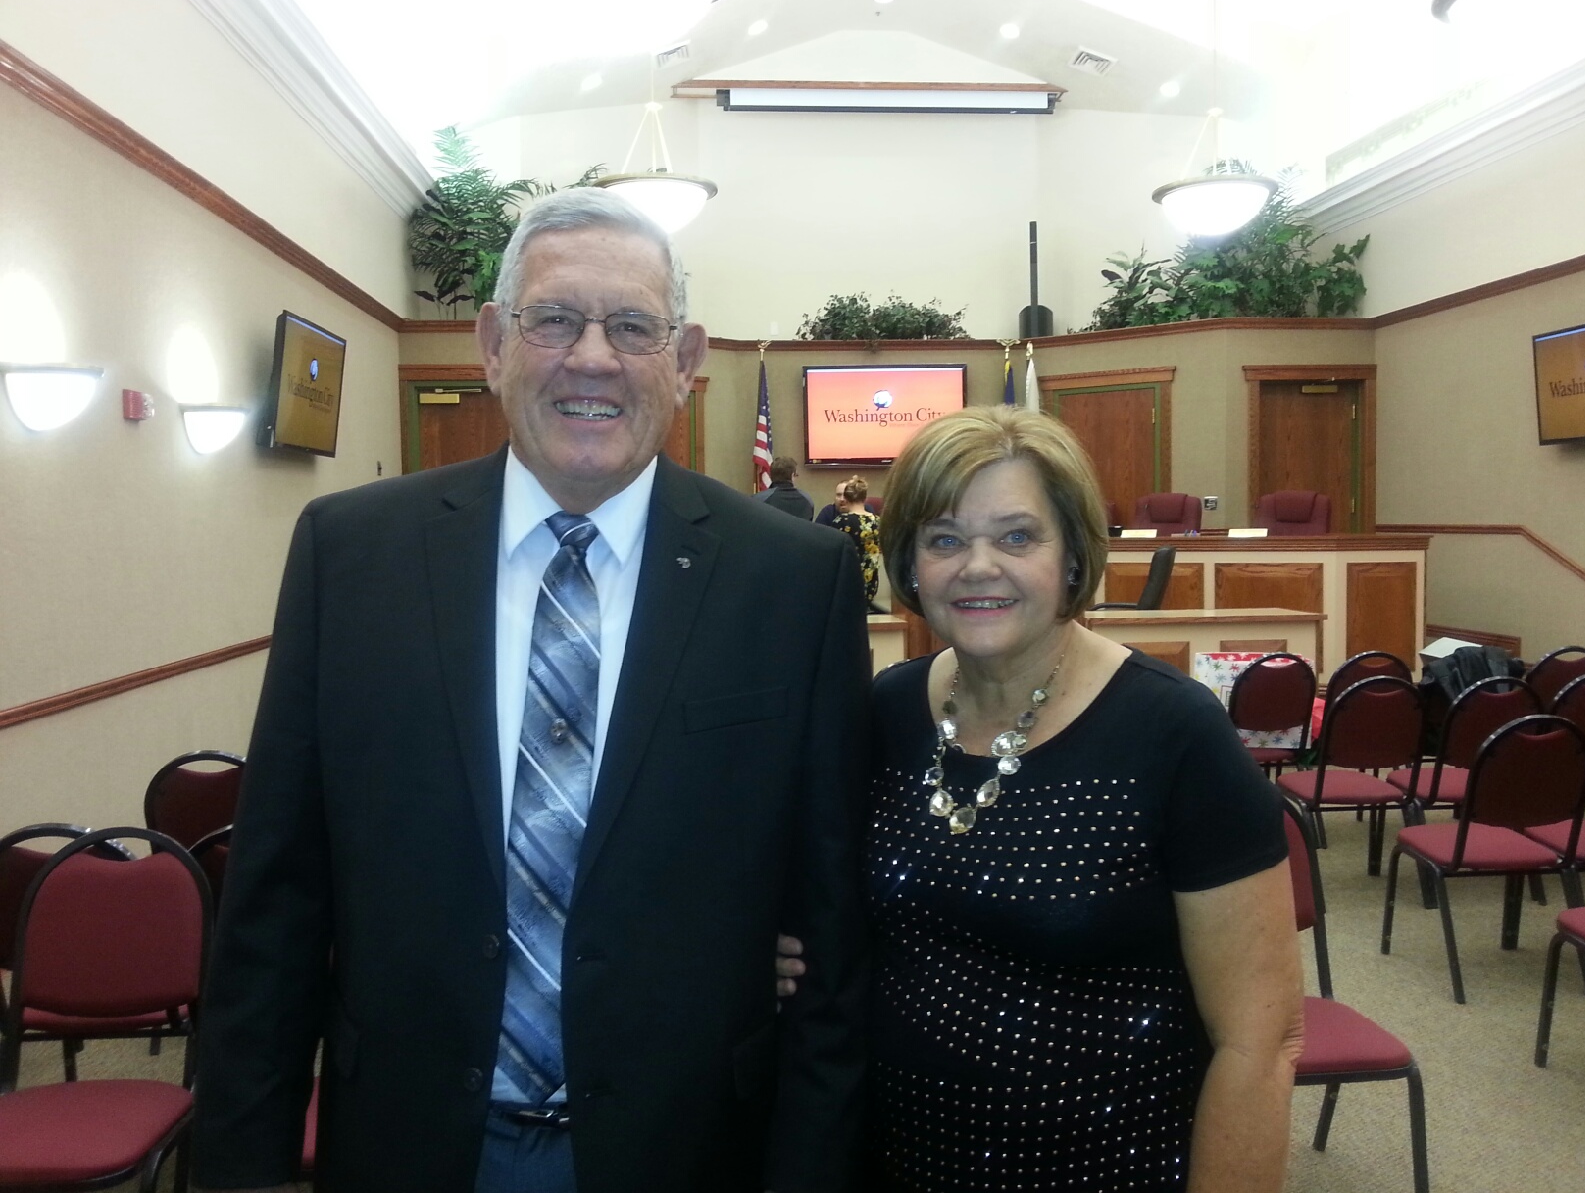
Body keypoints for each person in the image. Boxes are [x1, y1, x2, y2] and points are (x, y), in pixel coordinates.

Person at [193, 188, 871, 1193]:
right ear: (492, 344)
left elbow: (830, 935)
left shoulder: (792, 582)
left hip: (688, 1147)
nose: (591, 357)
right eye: (553, 319)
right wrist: (239, 1167)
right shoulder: (352, 557)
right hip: (413, 1142)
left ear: (684, 362)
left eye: (631, 327)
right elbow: (278, 896)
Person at [781, 406, 1302, 1191]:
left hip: (1109, 1169)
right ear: (911, 565)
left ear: (1071, 558)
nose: (978, 566)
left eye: (1017, 537)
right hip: (891, 1163)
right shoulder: (882, 712)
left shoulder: (1173, 732)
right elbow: (842, 912)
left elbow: (1261, 1043)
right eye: (945, 538)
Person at [829, 475, 881, 606]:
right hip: (872, 584)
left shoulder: (841, 522)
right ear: (865, 498)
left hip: (848, 583)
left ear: (846, 498)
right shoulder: (878, 521)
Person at [753, 455, 814, 520]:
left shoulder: (758, 500)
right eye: (796, 475)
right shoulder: (807, 500)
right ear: (792, 475)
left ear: (770, 475)